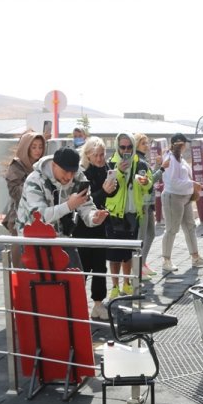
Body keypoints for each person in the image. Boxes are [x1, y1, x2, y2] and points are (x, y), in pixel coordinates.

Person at [15, 146, 109, 270]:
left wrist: (94, 218)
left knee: (76, 282)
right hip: (33, 240)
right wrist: (69, 206)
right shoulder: (34, 180)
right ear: (54, 165)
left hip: (62, 238)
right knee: (39, 285)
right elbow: (39, 217)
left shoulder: (79, 177)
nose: (69, 176)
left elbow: (86, 205)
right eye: (65, 171)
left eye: (73, 172)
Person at [104, 132, 152, 299]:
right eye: (122, 147)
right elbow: (107, 187)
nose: (126, 150)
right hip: (114, 214)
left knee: (128, 253)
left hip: (133, 214)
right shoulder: (111, 164)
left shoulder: (141, 164)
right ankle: (115, 286)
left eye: (129, 147)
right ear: (117, 147)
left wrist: (146, 183)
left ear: (133, 146)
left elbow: (149, 185)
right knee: (114, 255)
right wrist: (118, 171)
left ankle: (127, 284)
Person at [74, 137, 116, 320]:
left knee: (99, 267)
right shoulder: (82, 173)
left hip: (100, 225)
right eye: (96, 155)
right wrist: (105, 192)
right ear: (88, 156)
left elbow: (111, 191)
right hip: (83, 227)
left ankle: (98, 304)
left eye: (102, 154)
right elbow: (85, 202)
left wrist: (113, 185)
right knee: (82, 267)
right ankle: (76, 305)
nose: (100, 158)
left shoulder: (105, 168)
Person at [161, 133, 203, 272]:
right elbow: (173, 182)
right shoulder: (170, 158)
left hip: (184, 198)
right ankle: (166, 260)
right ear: (179, 144)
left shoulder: (179, 159)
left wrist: (191, 187)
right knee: (171, 229)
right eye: (185, 143)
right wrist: (193, 184)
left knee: (190, 226)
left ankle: (195, 257)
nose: (186, 146)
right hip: (173, 197)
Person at [2, 132, 45, 236]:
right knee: (20, 250)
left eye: (40, 147)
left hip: (41, 215)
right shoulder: (16, 166)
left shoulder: (43, 165)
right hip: (19, 217)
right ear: (26, 147)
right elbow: (15, 192)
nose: (38, 151)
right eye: (34, 147)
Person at [133, 133, 161, 277]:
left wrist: (158, 166)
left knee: (151, 234)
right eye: (144, 143)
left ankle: (142, 263)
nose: (147, 145)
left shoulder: (143, 159)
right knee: (142, 237)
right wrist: (161, 169)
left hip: (147, 202)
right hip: (143, 203)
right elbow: (147, 184)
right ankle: (138, 267)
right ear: (137, 144)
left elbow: (149, 179)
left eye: (148, 143)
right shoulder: (139, 161)